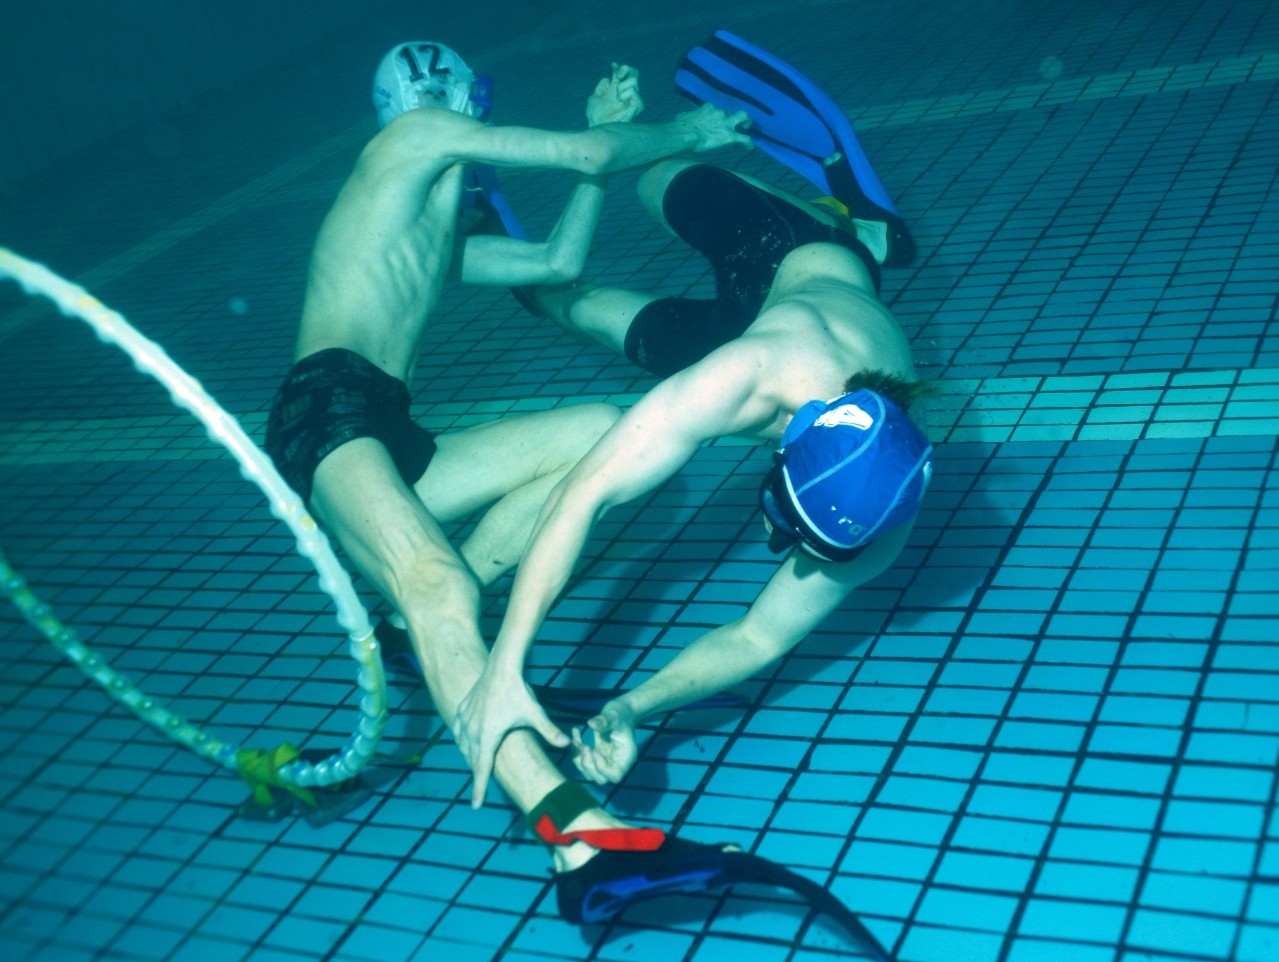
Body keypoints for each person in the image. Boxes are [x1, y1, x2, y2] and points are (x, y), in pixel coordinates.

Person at [263, 39, 753, 910]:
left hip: (382, 422)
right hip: (325, 412)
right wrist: (678, 129)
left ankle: (432, 631)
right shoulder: (407, 145)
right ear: (458, 98)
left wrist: (601, 157)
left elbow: (554, 265)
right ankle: (578, 835)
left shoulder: (424, 218)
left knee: (600, 434)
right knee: (433, 579)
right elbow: (587, 152)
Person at [454, 156, 934, 798]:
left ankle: (523, 261)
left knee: (570, 306)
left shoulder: (882, 510)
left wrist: (630, 708)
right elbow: (584, 493)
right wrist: (505, 667)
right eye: (781, 510)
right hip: (787, 256)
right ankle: (857, 225)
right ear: (792, 435)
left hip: (777, 331)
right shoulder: (744, 376)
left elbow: (758, 635)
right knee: (648, 186)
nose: (774, 532)